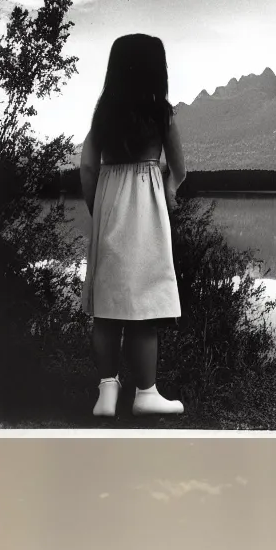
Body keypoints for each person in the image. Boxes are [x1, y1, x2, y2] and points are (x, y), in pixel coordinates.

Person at [79, 34, 187, 418]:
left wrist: (99, 207)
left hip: (108, 203)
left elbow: (88, 164)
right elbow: (180, 169)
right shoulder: (162, 113)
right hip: (146, 209)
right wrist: (167, 193)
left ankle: (106, 394)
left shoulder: (104, 112)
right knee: (144, 306)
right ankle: (146, 393)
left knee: (106, 307)